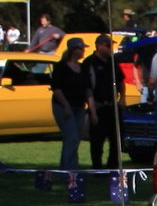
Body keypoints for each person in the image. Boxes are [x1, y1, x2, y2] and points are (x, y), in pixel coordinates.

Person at [51, 37, 94, 171]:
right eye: (80, 49)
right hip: (63, 107)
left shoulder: (83, 68)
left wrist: (92, 111)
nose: (83, 51)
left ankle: (72, 171)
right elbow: (56, 88)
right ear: (73, 50)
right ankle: (67, 172)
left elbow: (88, 90)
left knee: (74, 140)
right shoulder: (61, 67)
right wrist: (66, 106)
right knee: (72, 138)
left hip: (79, 108)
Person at [86, 34, 122, 170]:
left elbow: (120, 81)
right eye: (108, 46)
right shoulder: (90, 62)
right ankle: (97, 167)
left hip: (112, 105)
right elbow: (86, 86)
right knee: (97, 140)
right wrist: (92, 105)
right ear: (99, 46)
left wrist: (122, 99)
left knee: (116, 139)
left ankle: (112, 165)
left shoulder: (113, 62)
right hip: (98, 106)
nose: (110, 49)